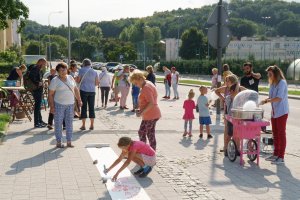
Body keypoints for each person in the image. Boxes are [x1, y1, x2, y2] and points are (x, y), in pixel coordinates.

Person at [48, 62, 82, 148]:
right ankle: (59, 141)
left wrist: (79, 100)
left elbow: (76, 89)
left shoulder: (70, 77)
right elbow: (50, 94)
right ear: (57, 72)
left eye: (64, 69)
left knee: (69, 123)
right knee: (58, 123)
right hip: (59, 104)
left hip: (70, 104)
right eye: (61, 70)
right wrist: (52, 106)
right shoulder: (55, 80)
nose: (63, 71)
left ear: (67, 70)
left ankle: (69, 141)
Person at [261, 65, 289, 164]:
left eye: (270, 74)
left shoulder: (282, 83)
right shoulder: (272, 83)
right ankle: (276, 154)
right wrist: (266, 100)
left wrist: (266, 101)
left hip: (282, 111)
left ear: (275, 74)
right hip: (274, 112)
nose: (269, 75)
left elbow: (279, 98)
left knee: (281, 133)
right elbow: (271, 97)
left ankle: (281, 156)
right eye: (268, 74)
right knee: (275, 134)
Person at [130, 72, 161, 150]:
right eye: (134, 84)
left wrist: (141, 112)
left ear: (141, 79)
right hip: (150, 115)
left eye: (136, 83)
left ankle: (146, 151)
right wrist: (139, 106)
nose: (136, 85)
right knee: (148, 133)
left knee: (144, 133)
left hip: (151, 114)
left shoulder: (146, 87)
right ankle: (148, 151)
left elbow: (151, 103)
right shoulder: (147, 83)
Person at [215, 74, 245, 153]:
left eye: (228, 81)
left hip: (237, 112)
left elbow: (248, 93)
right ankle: (226, 147)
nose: (226, 82)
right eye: (226, 81)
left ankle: (237, 147)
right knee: (227, 130)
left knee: (237, 131)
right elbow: (216, 91)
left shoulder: (239, 88)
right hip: (227, 111)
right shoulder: (225, 88)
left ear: (233, 81)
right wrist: (222, 98)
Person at [76, 58, 99, 130]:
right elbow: (96, 83)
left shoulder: (81, 70)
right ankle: (92, 125)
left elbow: (78, 80)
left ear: (83, 64)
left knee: (84, 107)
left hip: (83, 90)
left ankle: (83, 125)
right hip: (92, 91)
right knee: (91, 108)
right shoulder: (95, 71)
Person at [29, 58, 48, 128]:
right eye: (44, 64)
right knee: (37, 106)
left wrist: (41, 82)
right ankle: (36, 123)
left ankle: (40, 121)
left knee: (38, 106)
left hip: (38, 89)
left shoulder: (38, 68)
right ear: (41, 62)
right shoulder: (35, 68)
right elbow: (31, 77)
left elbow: (37, 78)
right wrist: (38, 83)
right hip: (36, 90)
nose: (45, 65)